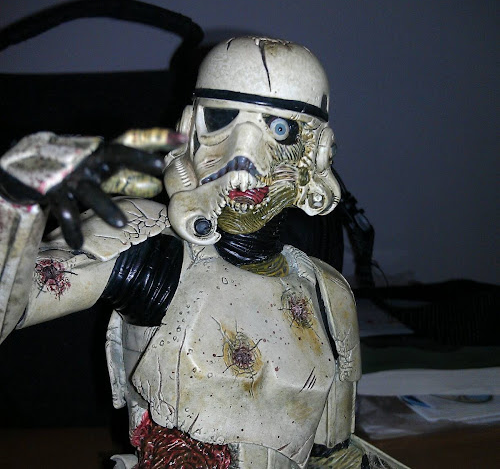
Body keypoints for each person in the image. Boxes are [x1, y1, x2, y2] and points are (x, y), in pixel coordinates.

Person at [0, 37, 361, 469]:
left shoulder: (327, 294)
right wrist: (15, 203)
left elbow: (334, 450)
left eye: (280, 129)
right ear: (191, 128)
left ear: (317, 152)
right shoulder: (151, 254)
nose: (243, 156)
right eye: (222, 120)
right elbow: (13, 302)